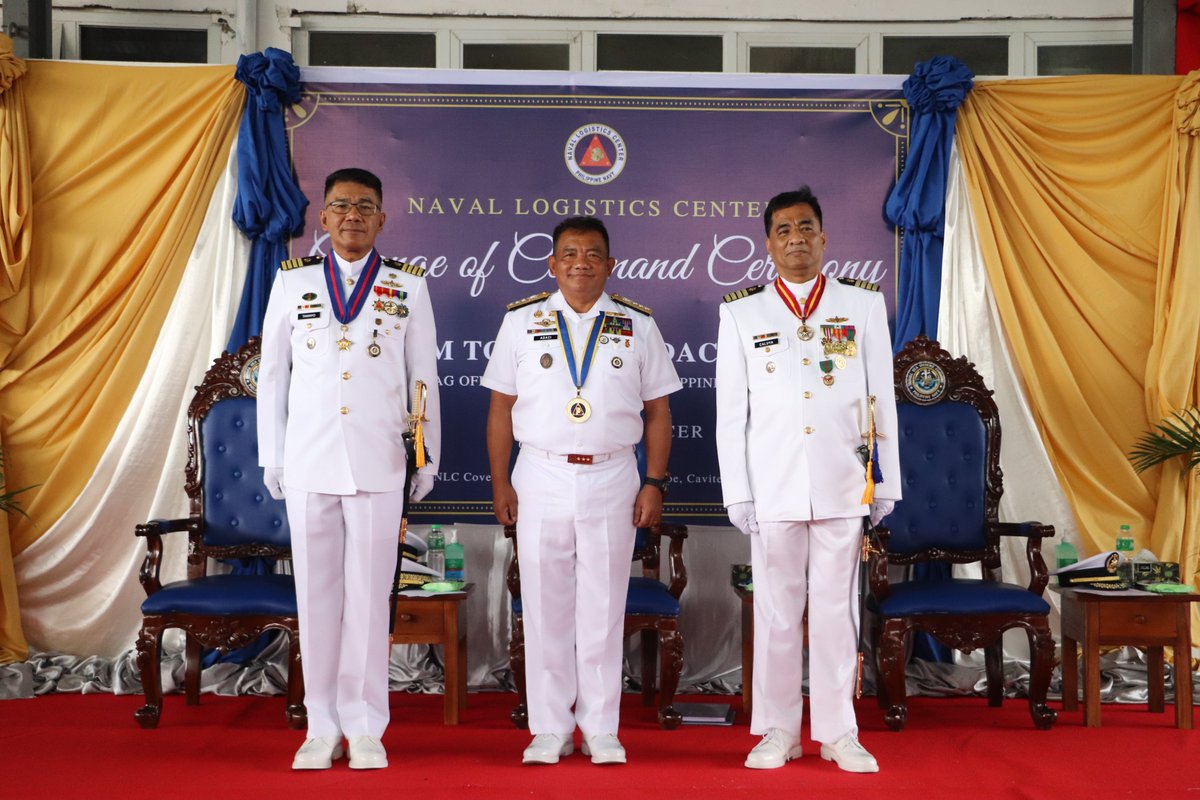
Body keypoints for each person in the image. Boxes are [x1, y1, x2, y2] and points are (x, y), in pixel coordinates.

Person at [257, 167, 441, 771]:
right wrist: (273, 456)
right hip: (310, 460)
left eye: (365, 207)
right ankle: (319, 726)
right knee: (316, 598)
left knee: (367, 599)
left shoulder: (407, 288)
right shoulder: (294, 282)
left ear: (382, 218)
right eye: (341, 206)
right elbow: (272, 377)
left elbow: (423, 378)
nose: (353, 216)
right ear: (324, 218)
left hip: (379, 461)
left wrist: (425, 456)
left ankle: (365, 727)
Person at [482, 216, 681, 766]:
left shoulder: (637, 324)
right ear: (552, 264)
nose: (580, 263)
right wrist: (501, 481)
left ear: (610, 264)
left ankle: (600, 727)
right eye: (569, 254)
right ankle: (549, 728)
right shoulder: (521, 323)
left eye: (593, 254)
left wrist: (654, 482)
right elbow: (500, 407)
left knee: (603, 605)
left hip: (613, 475)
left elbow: (659, 411)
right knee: (544, 605)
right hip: (540, 474)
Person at [715, 186, 900, 773]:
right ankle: (777, 730)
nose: (796, 239)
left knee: (837, 612)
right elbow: (730, 414)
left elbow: (880, 400)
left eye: (806, 227)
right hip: (772, 487)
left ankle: (838, 731)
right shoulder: (742, 311)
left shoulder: (862, 305)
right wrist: (738, 492)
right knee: (774, 611)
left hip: (843, 482)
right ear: (769, 243)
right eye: (784, 230)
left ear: (824, 235)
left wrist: (885, 482)